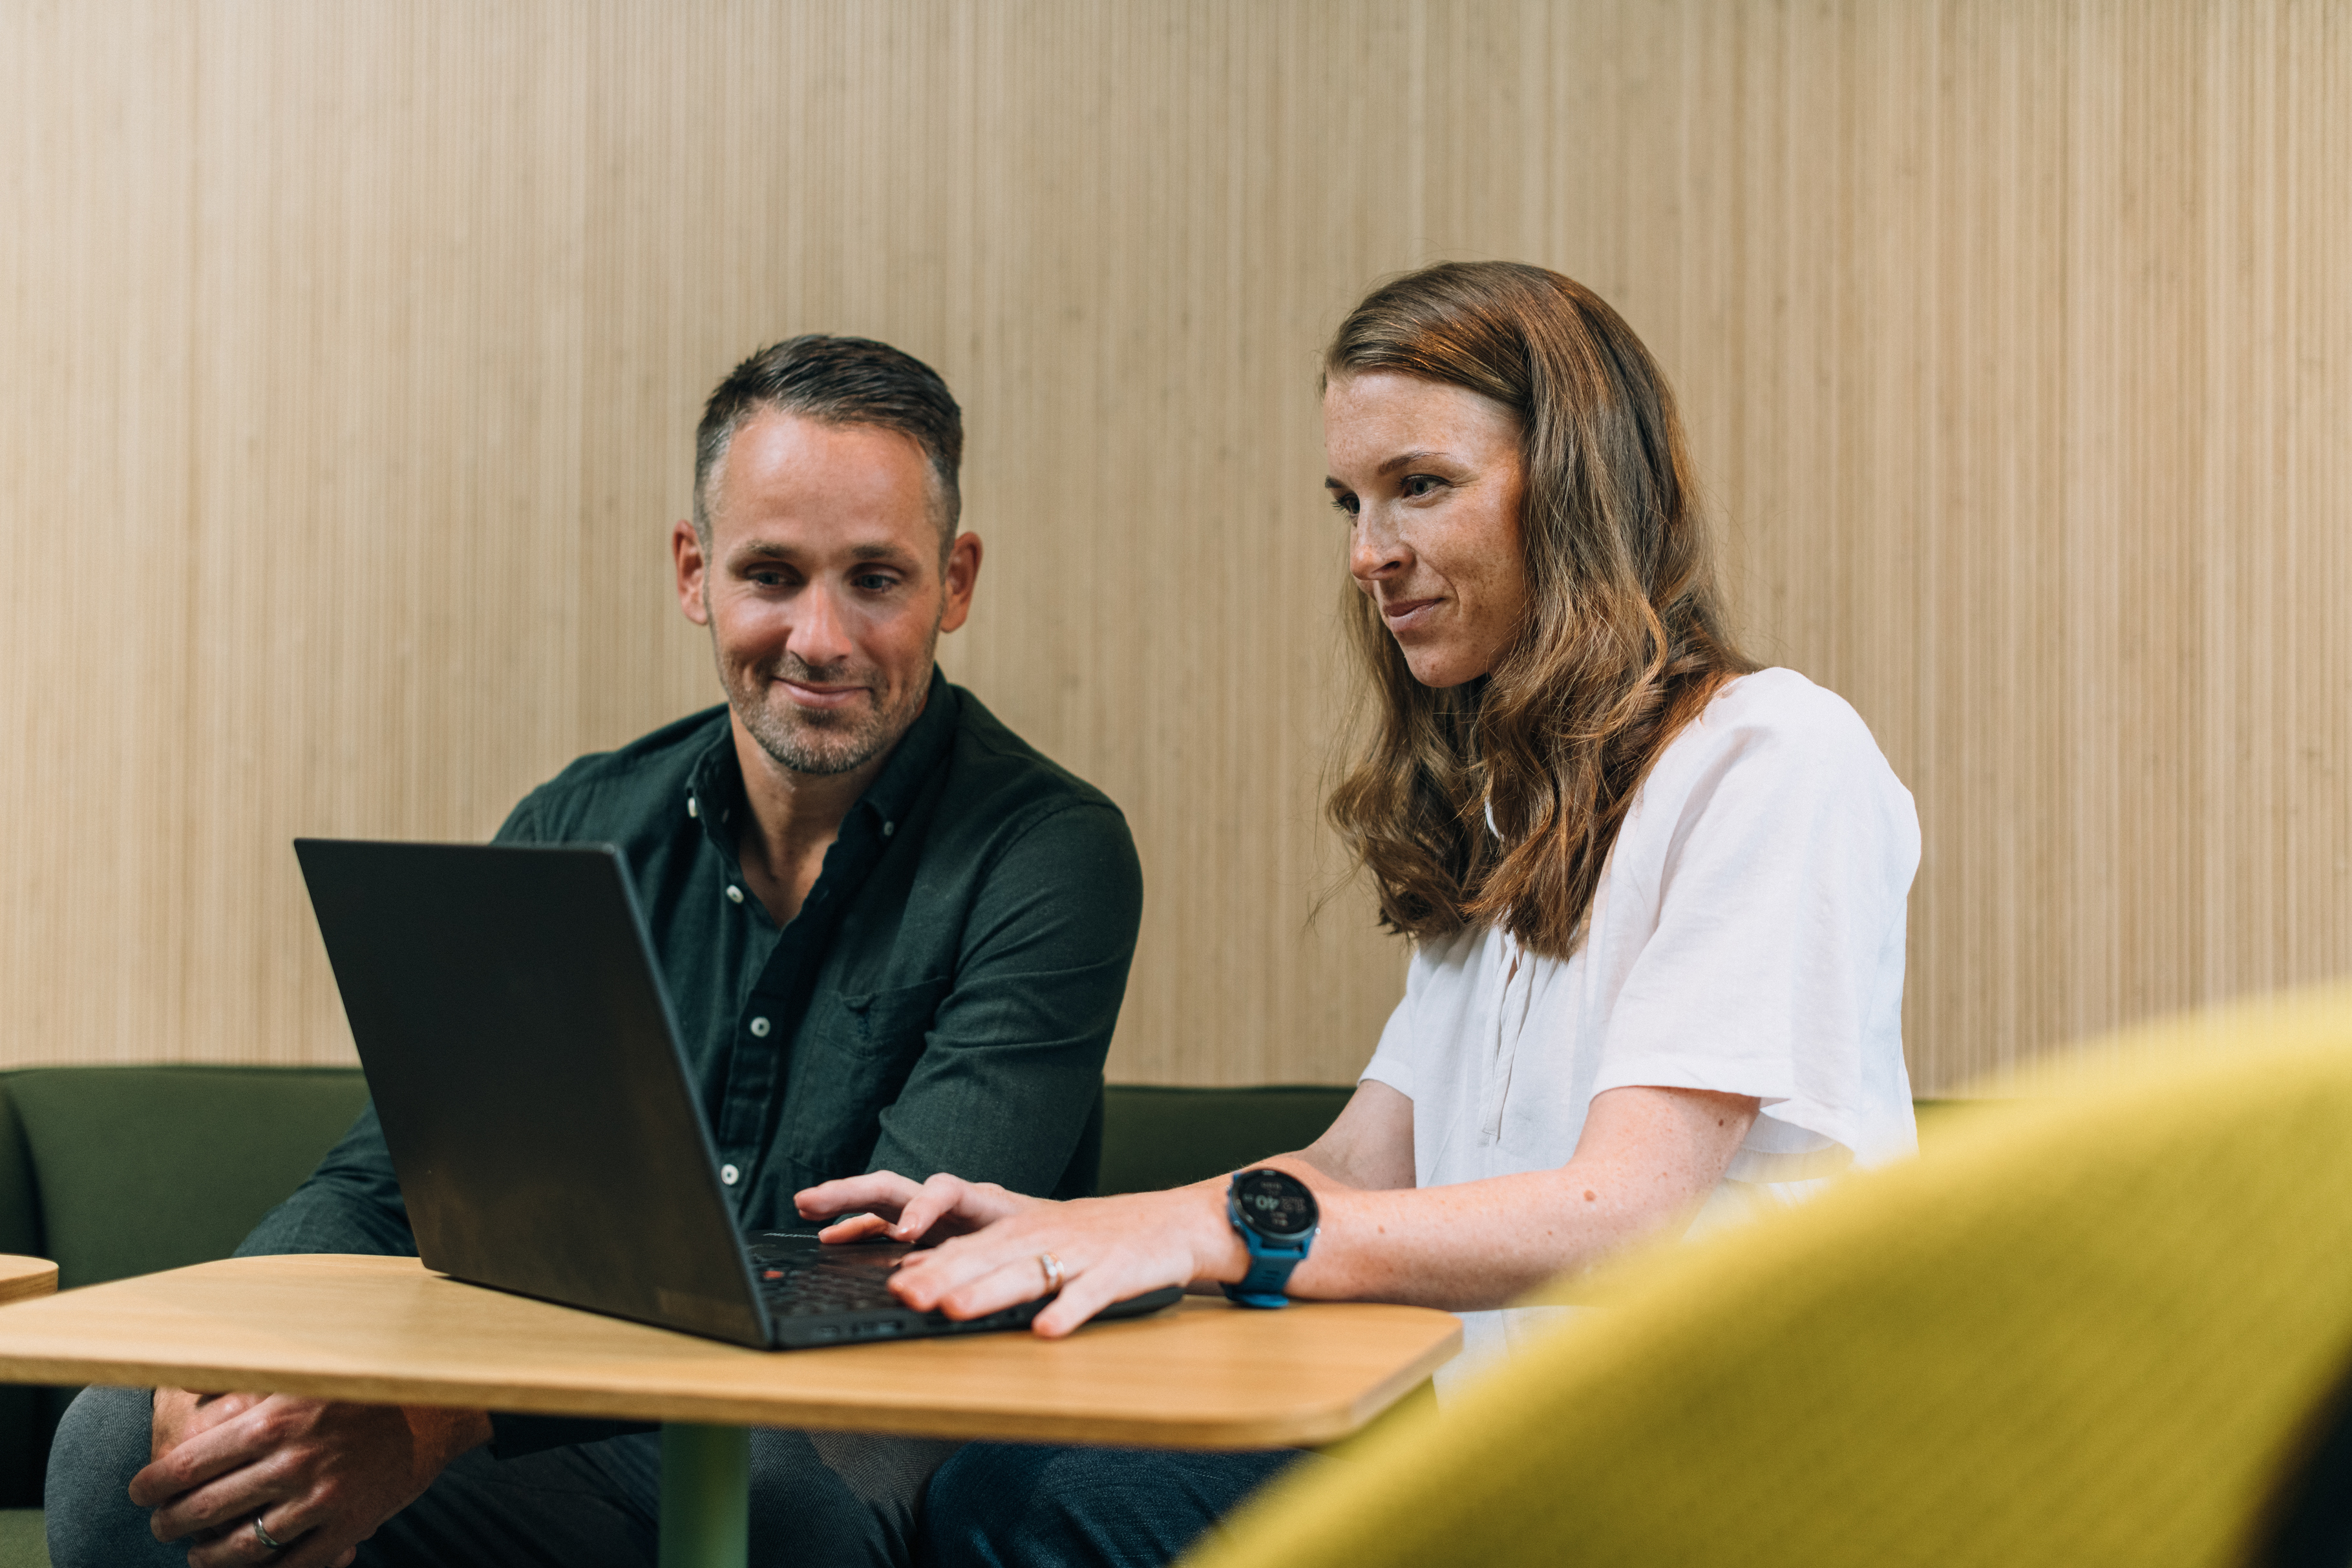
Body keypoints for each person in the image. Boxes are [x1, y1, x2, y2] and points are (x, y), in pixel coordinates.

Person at [796, 262, 1922, 1568]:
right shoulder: (1511, 805)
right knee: (1017, 1495)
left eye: (1418, 485)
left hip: (1724, 1502)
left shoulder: (1769, 754)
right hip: (1517, 1467)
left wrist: (1214, 1235)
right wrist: (1084, 1225)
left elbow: (1626, 1206)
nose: (1366, 554)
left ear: (1574, 483)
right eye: (1350, 500)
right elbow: (1353, 1166)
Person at [45, 335, 1146, 1568]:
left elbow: (898, 1273)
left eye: (876, 579)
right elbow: (383, 1188)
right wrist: (235, 1368)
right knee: (122, 1453)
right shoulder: (573, 826)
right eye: (771, 573)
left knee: (771, 1489)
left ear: (957, 582)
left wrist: (442, 1419)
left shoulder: (1052, 855)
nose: (820, 637)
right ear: (694, 571)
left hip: (855, 1422)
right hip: (558, 1426)